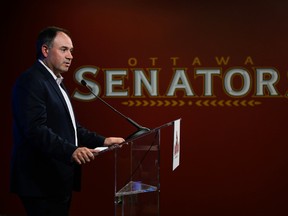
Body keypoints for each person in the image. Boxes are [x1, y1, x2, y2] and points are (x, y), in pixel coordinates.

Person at [10, 26, 125, 216]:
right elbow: (35, 130)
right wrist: (71, 150)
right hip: (41, 183)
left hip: (57, 180)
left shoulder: (55, 82)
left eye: (71, 51)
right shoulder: (31, 80)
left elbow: (71, 128)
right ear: (45, 50)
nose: (70, 56)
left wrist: (103, 141)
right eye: (64, 50)